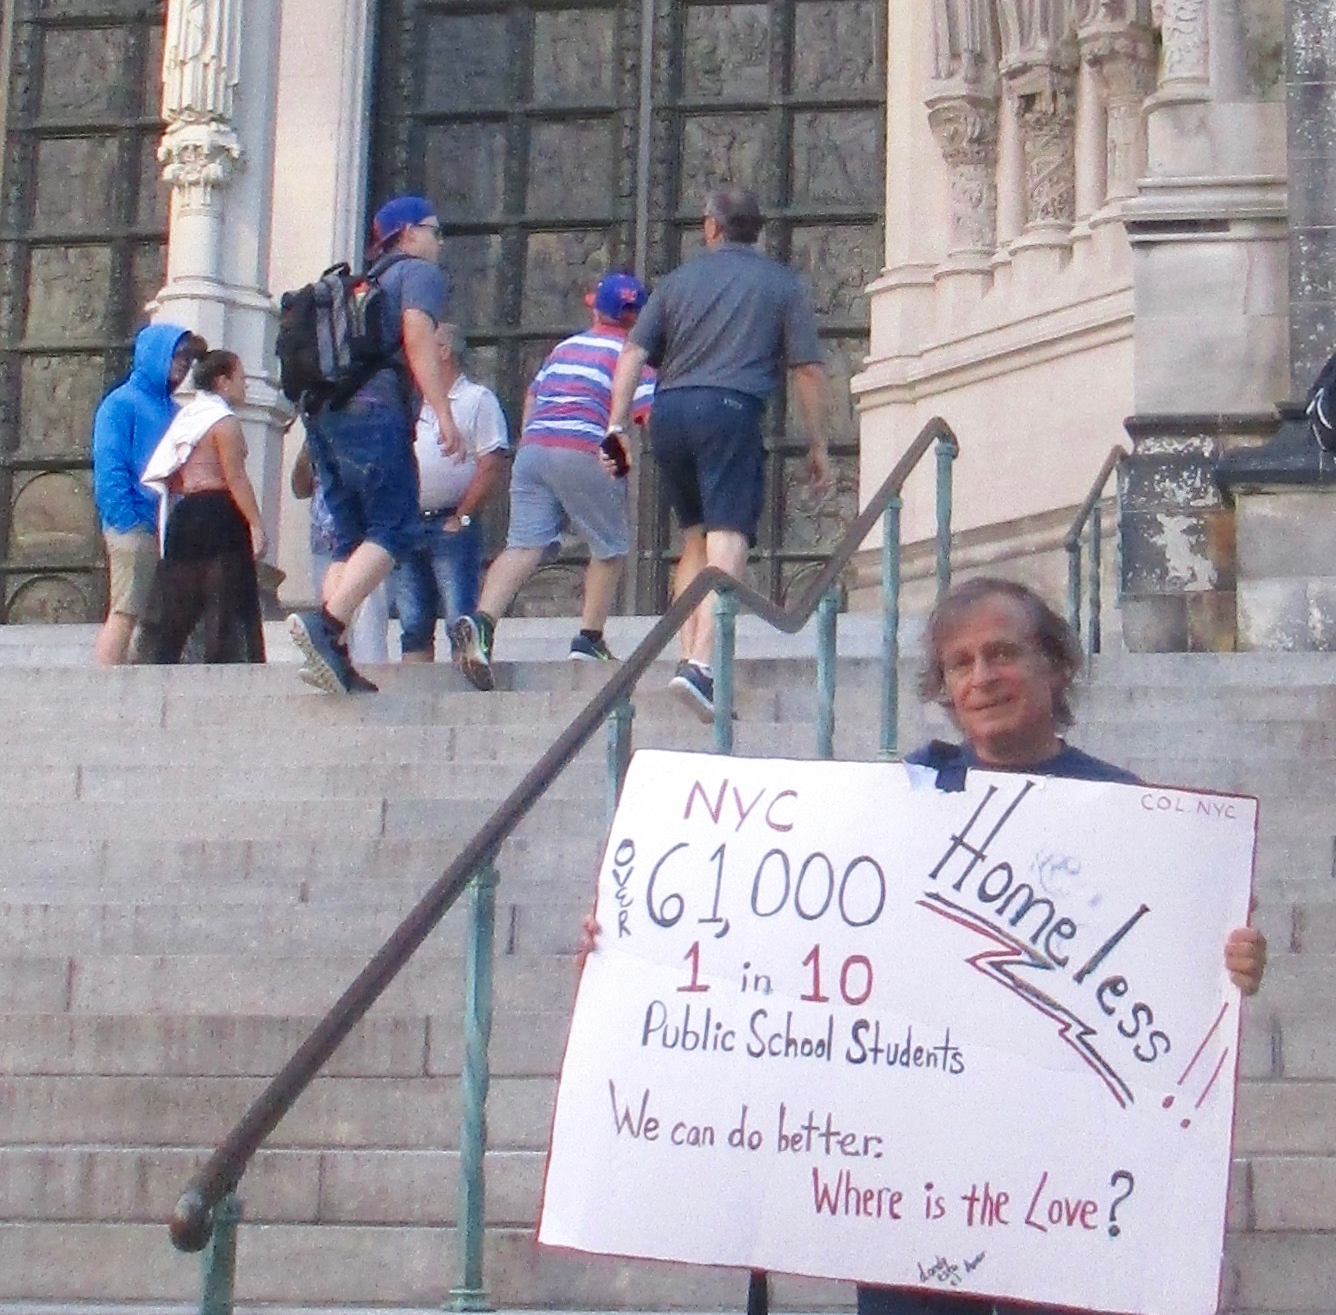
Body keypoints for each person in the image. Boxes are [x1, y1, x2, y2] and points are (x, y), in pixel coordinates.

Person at [574, 577, 1272, 1315]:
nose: (981, 677)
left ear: (1056, 666)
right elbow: (775, 935)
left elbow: (1178, 983)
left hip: (1066, 1192)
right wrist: (637, 940)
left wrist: (1230, 961)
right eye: (960, 663)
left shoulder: (1135, 815)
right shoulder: (892, 806)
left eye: (1003, 653)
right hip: (911, 1196)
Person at [610, 189, 834, 715]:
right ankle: (702, 665)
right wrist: (818, 441)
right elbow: (807, 369)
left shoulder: (676, 283)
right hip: (730, 410)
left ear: (711, 226)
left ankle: (688, 654)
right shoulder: (780, 283)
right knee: (727, 536)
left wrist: (616, 425)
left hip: (669, 412)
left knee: (694, 539)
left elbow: (633, 353)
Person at [293, 194, 471, 697]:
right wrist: (442, 411)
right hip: (375, 411)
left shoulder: (361, 285)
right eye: (435, 231)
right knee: (395, 526)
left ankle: (335, 656)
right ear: (409, 233)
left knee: (349, 541)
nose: (440, 242)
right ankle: (327, 626)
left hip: (324, 415)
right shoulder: (418, 274)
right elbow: (416, 336)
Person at [478, 271, 655, 664]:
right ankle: (589, 640)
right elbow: (646, 411)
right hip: (584, 448)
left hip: (534, 448)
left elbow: (533, 395)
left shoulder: (564, 348)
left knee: (523, 546)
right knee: (609, 546)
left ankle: (481, 626)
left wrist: (531, 441)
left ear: (595, 309)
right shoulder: (633, 354)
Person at [140, 345, 269, 665]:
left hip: (185, 514)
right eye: (241, 378)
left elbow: (171, 474)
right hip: (219, 513)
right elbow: (236, 478)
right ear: (222, 381)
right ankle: (222, 668)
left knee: (178, 604)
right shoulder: (224, 423)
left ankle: (165, 665)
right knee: (224, 601)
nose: (245, 385)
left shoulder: (188, 418)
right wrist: (256, 524)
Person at [90, 317, 191, 665]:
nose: (183, 363)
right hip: (134, 524)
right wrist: (126, 518)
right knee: (126, 609)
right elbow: (110, 465)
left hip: (165, 527)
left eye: (187, 357)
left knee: (152, 617)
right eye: (176, 354)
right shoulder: (121, 403)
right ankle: (104, 684)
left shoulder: (176, 411)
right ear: (155, 355)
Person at [410, 360, 512, 688]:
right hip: (408, 523)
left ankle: (462, 691)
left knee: (459, 618)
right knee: (413, 622)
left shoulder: (477, 399)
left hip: (451, 522)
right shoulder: (411, 400)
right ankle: (415, 693)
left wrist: (462, 517)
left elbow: (491, 463)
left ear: (442, 351)